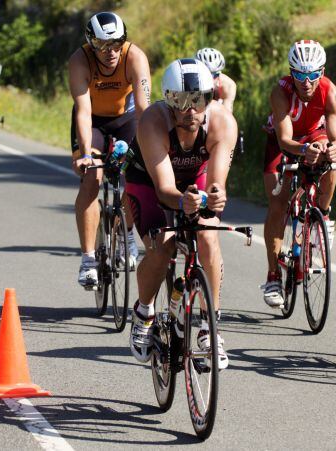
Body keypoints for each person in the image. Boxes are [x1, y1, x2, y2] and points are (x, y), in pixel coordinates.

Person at [125, 58, 237, 368]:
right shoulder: (152, 121)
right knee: (164, 246)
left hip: (193, 179)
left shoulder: (223, 123)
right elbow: (163, 190)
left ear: (209, 98)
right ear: (168, 100)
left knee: (209, 238)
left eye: (198, 100)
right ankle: (144, 312)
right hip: (147, 181)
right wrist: (183, 201)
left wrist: (214, 197)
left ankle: (209, 328)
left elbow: (215, 184)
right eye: (181, 101)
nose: (190, 109)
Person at [68, 12, 151, 287]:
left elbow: (143, 111)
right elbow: (82, 111)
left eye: (116, 44)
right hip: (92, 121)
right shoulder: (80, 61)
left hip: (127, 120)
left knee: (136, 175)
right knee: (92, 177)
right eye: (103, 46)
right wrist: (87, 155)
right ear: (91, 44)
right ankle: (88, 259)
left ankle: (126, 231)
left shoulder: (134, 57)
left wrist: (142, 149)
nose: (111, 52)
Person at [260, 40, 336, 308]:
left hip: (313, 136)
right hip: (282, 142)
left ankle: (323, 215)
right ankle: (273, 274)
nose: (306, 82)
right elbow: (284, 140)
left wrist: (333, 149)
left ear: (321, 72)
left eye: (312, 75)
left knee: (330, 162)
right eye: (299, 75)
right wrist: (304, 149)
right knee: (277, 204)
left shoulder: (330, 92)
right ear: (290, 72)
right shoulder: (280, 93)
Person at [195, 47, 237, 111]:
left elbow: (226, 115)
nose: (210, 79)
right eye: (204, 75)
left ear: (219, 74)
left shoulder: (228, 85)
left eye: (214, 75)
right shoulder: (188, 82)